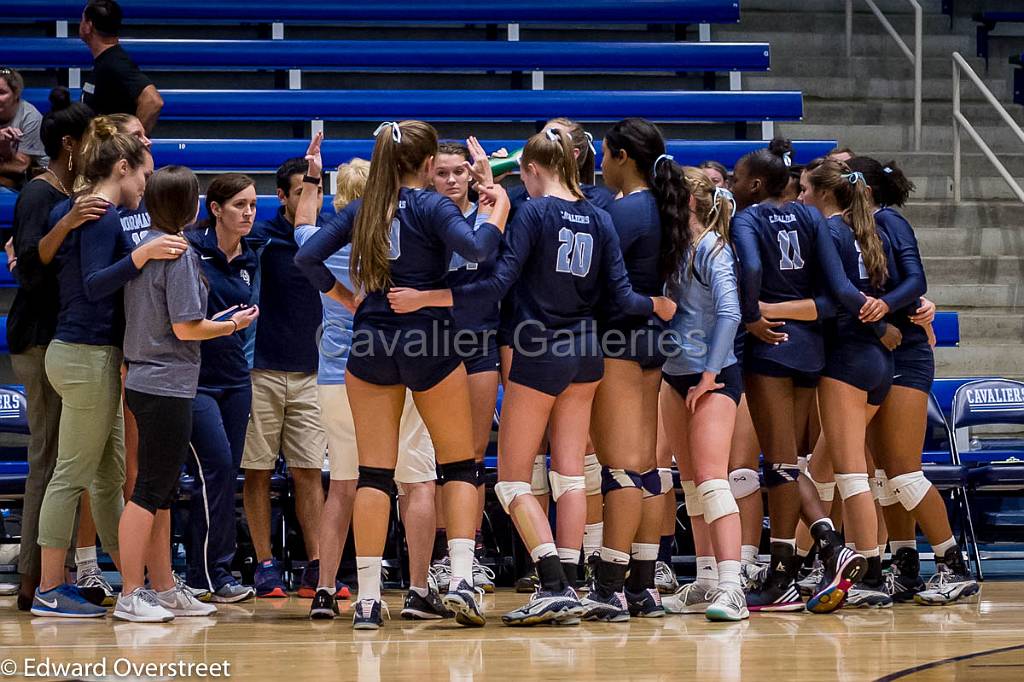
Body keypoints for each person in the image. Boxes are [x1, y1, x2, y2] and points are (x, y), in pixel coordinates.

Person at [389, 127, 676, 626]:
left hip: (536, 350)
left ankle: (553, 583)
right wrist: (658, 304)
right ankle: (572, 578)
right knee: (570, 475)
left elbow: (497, 281)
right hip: (587, 355)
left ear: (533, 171)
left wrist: (430, 297)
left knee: (511, 481)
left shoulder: (533, 212)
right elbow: (623, 298)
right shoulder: (600, 217)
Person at [295, 122, 509, 630]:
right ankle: (460, 581)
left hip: (369, 342)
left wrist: (344, 296)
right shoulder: (433, 205)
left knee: (371, 474)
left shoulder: (364, 207)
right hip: (429, 340)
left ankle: (368, 597)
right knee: (458, 465)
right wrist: (494, 206)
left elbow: (306, 255)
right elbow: (479, 251)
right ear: (428, 161)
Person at [31, 118, 187, 618]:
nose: (146, 186)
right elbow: (98, 284)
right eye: (143, 176)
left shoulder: (83, 211)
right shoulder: (99, 216)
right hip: (85, 355)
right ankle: (50, 589)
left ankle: (133, 585)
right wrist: (140, 255)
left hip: (87, 353)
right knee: (72, 474)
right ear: (122, 168)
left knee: (107, 476)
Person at [729, 139, 875, 614]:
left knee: (779, 464)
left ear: (754, 184)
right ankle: (807, 556)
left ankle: (809, 560)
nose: (731, 183)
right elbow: (836, 293)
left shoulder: (746, 219)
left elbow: (750, 265)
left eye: (735, 177)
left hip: (770, 346)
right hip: (811, 349)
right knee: (790, 463)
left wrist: (751, 314)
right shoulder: (811, 217)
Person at [298, 159, 447, 621]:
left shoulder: (325, 239)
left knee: (343, 484)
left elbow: (303, 222)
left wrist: (311, 173)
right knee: (414, 481)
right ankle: (418, 589)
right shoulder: (402, 238)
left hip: (333, 377)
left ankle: (325, 589)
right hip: (394, 371)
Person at [116, 165, 258, 622]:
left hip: (149, 380)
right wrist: (231, 324)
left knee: (161, 492)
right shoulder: (178, 254)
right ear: (193, 206)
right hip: (165, 383)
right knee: (149, 491)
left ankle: (162, 587)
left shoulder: (145, 247)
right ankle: (131, 591)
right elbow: (185, 326)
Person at [846, 156, 979, 606]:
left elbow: (915, 279)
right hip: (878, 352)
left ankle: (952, 565)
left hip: (906, 354)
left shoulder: (889, 221)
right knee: (884, 474)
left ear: (861, 188)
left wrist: (891, 308)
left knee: (903, 471)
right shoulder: (851, 229)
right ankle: (905, 567)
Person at [780, 157, 901, 609]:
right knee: (840, 469)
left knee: (851, 474)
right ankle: (825, 562)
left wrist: (770, 309)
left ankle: (869, 573)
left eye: (807, 191)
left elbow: (833, 298)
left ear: (826, 194)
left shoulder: (828, 231)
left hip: (847, 360)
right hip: (876, 363)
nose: (802, 198)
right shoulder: (863, 231)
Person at [581, 118, 685, 622]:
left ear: (622, 156)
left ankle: (608, 587)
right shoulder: (660, 206)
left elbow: (599, 284)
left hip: (618, 341)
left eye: (604, 154)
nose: (600, 163)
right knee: (645, 469)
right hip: (650, 344)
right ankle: (642, 585)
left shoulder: (628, 211)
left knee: (620, 470)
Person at [6, 99, 99, 611]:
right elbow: (30, 263)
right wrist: (67, 225)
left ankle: (46, 575)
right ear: (70, 145)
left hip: (56, 335)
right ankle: (33, 581)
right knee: (48, 458)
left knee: (62, 459)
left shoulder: (67, 191)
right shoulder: (41, 193)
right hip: (39, 337)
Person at [660, 168, 747, 622]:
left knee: (714, 481)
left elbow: (730, 314)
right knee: (692, 485)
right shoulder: (676, 248)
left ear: (689, 203)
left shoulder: (713, 248)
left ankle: (733, 587)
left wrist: (710, 374)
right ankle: (708, 579)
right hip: (675, 376)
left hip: (713, 377)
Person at [242, 157, 327, 599]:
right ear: (282, 196)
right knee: (256, 471)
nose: (309, 200)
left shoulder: (327, 236)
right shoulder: (259, 238)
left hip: (313, 372)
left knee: (308, 471)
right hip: (261, 370)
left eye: (314, 191)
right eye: (300, 192)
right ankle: (264, 564)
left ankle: (317, 564)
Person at [184, 173, 262, 604]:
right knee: (212, 469)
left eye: (252, 204)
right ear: (216, 209)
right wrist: (226, 324)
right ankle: (212, 573)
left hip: (236, 381)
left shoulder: (251, 257)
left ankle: (203, 573)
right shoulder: (192, 252)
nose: (249, 212)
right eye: (239, 205)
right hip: (196, 382)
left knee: (222, 476)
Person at [429, 139, 499, 594]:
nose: (452, 180)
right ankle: (438, 557)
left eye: (459, 171)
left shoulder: (489, 216)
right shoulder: (421, 215)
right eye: (443, 172)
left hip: (479, 343)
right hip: (429, 344)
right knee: (435, 460)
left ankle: (467, 555)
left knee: (471, 456)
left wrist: (492, 189)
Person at [79, 0, 164, 132]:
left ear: (88, 26)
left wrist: (130, 143)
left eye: (82, 20)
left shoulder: (115, 63)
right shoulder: (106, 62)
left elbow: (153, 101)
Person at [0, 67, 47, 191]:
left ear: (16, 94)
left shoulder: (30, 117)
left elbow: (20, 166)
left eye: (1, 93)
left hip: (31, 179)